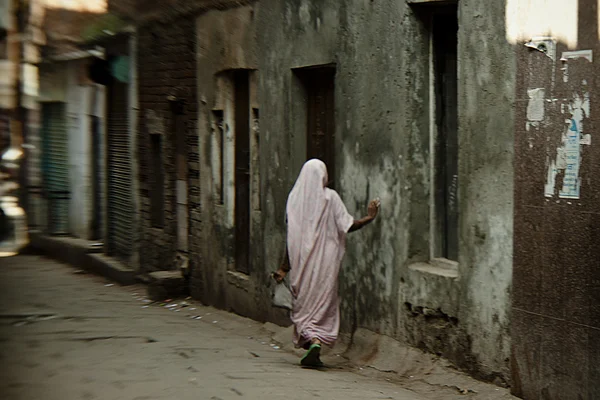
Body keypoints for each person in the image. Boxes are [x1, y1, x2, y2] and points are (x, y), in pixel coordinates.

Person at [273, 159, 380, 367]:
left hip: (301, 264)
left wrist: (283, 268)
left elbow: (291, 238)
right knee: (322, 302)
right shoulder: (330, 198)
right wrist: (369, 217)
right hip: (325, 264)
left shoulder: (294, 200)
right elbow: (348, 225)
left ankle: (312, 341)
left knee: (303, 306)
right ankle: (316, 341)